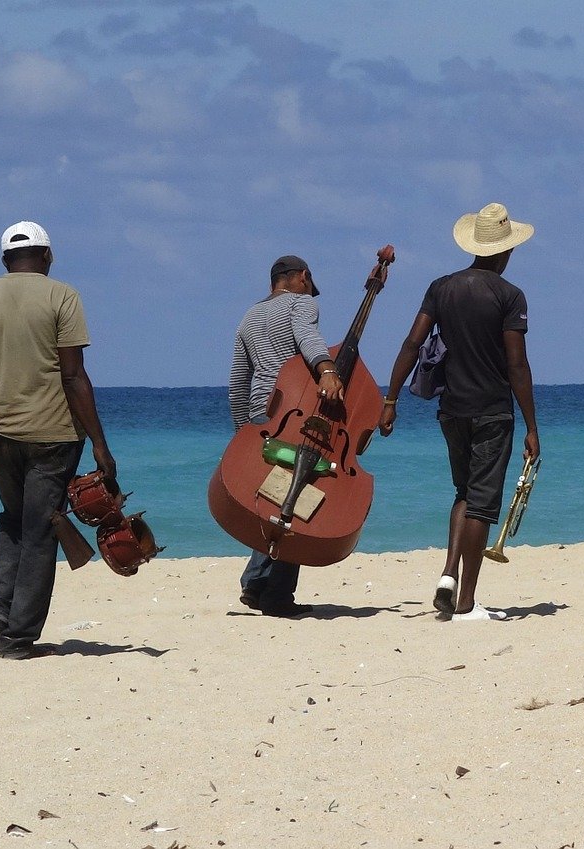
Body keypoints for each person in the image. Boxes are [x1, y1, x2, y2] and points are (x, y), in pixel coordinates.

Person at [0, 221, 118, 660]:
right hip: (54, 433)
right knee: (41, 530)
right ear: (47, 256)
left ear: (5, 261)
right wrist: (99, 442)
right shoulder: (63, 296)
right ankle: (19, 636)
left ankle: (0, 612)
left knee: (13, 519)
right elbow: (73, 374)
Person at [378, 203, 540, 622]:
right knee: (484, 505)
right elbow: (517, 365)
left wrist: (390, 400)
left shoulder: (441, 287)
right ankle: (466, 602)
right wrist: (532, 425)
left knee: (464, 494)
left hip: (451, 411)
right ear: (504, 251)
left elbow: (411, 344)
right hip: (491, 411)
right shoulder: (509, 296)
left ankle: (449, 575)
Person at [227, 255, 344, 617]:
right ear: (302, 278)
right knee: (296, 500)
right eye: (309, 283)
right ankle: (277, 595)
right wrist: (326, 368)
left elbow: (237, 382)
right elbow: (307, 337)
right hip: (294, 411)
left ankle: (255, 583)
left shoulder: (249, 316)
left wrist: (241, 433)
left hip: (261, 416)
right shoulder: (302, 303)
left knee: (272, 498)